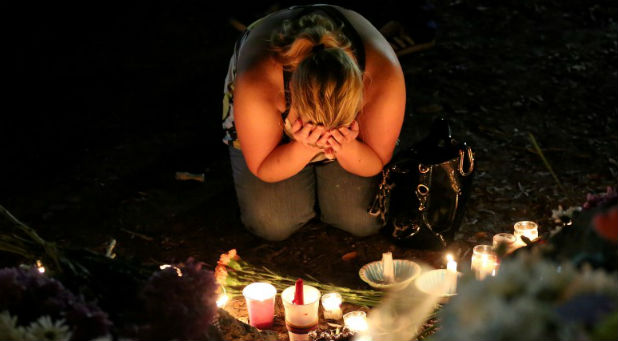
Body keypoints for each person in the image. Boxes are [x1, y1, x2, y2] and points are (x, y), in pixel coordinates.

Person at [221, 4, 405, 241]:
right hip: (272, 116)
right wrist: (303, 148)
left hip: (345, 129)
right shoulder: (259, 82)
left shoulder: (382, 77)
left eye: (340, 122)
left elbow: (377, 159)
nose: (326, 139)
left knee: (362, 220)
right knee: (273, 223)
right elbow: (262, 166)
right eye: (316, 124)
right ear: (290, 97)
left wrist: (347, 146)